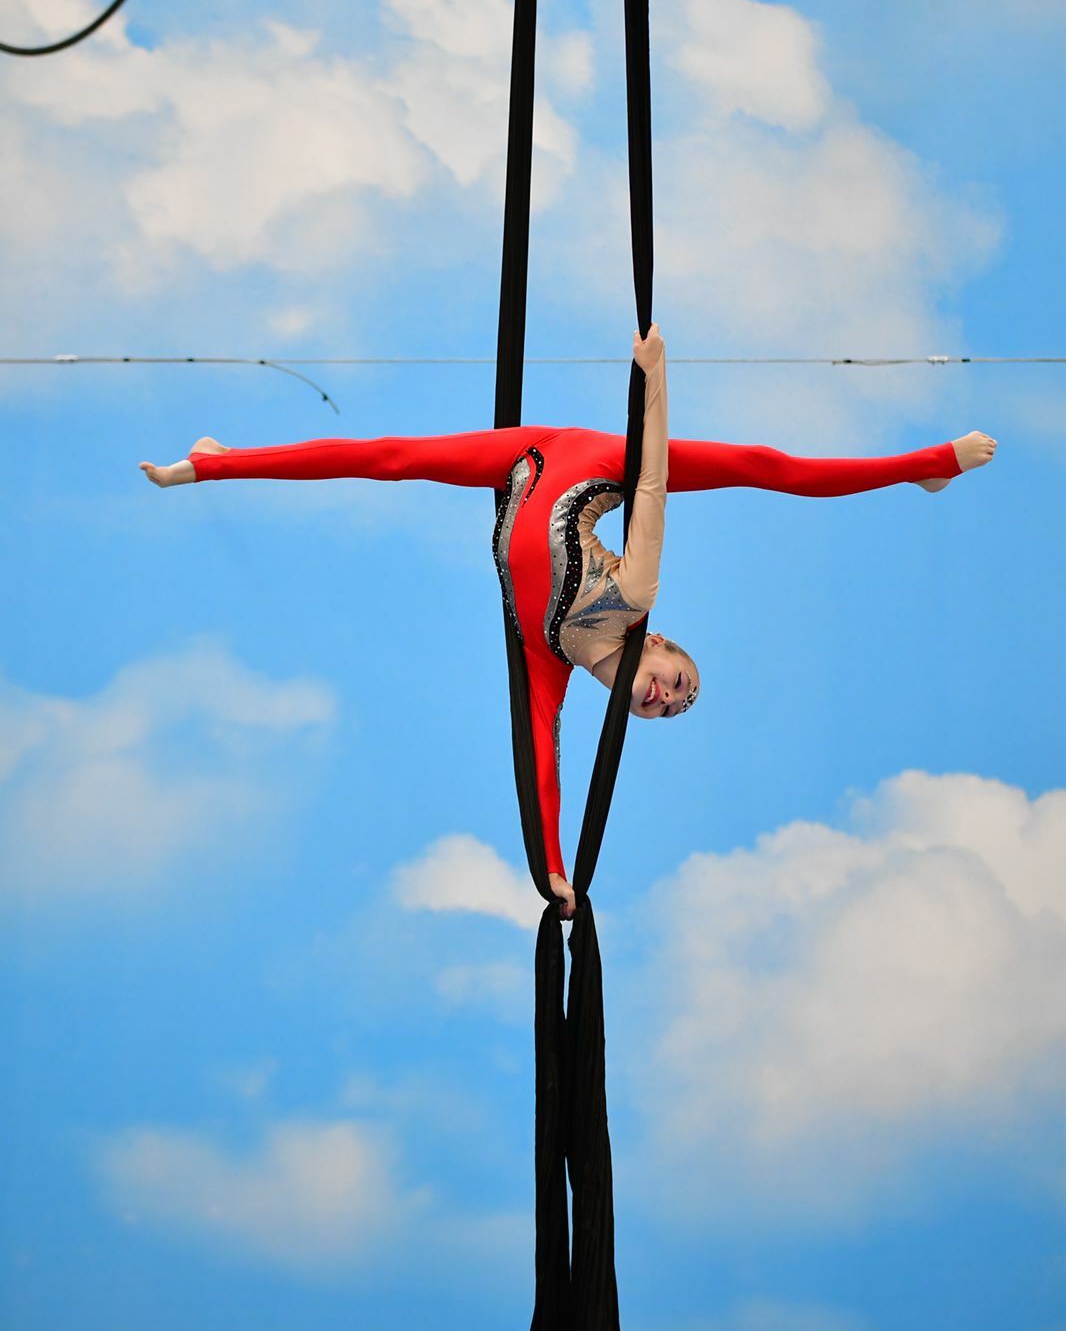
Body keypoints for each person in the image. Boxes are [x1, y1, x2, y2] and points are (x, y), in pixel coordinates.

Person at [140, 326, 997, 918]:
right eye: (679, 685)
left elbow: (541, 763)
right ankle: (925, 466)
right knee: (762, 466)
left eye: (667, 710)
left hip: (516, 473)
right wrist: (656, 381)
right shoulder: (634, 597)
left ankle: (219, 463)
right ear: (657, 645)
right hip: (594, 458)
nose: (666, 700)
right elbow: (654, 485)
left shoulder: (547, 659)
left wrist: (553, 868)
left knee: (394, 462)